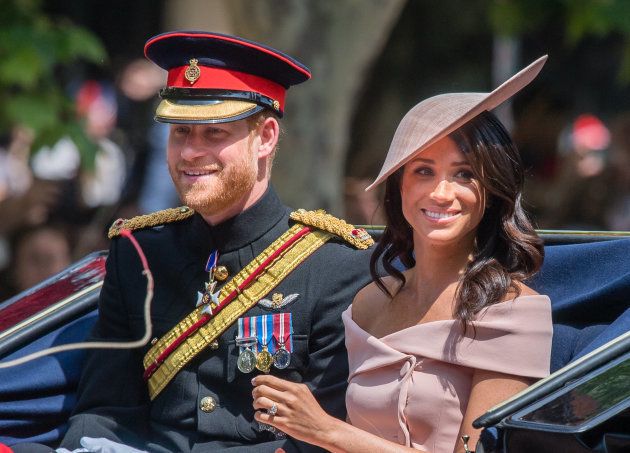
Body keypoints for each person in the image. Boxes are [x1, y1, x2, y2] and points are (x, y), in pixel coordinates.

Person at [11, 31, 375, 452]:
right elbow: (105, 413)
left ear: (268, 137)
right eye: (180, 133)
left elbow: (323, 439)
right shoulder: (139, 252)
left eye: (214, 135)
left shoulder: (335, 265)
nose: (189, 153)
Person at [251, 57, 553, 453]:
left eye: (464, 174)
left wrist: (325, 431)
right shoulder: (369, 303)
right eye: (423, 171)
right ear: (399, 188)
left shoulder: (514, 312)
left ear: (492, 191)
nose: (441, 193)